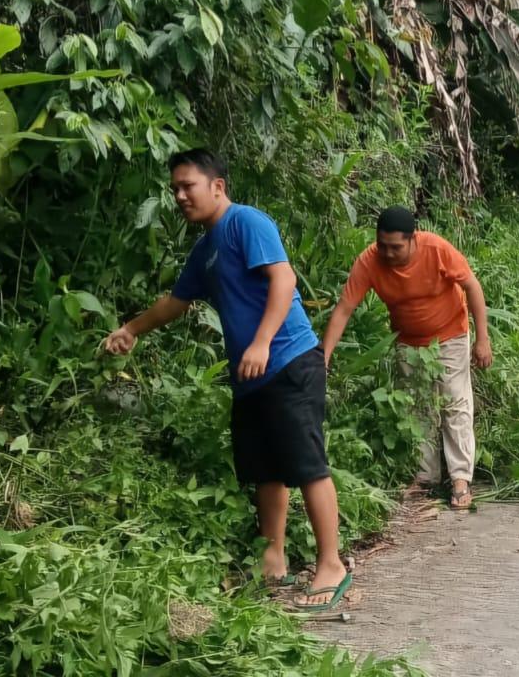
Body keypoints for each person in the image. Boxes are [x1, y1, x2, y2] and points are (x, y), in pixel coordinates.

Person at [102, 149, 350, 612]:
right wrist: (131, 329)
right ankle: (272, 560)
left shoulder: (247, 222)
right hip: (252, 379)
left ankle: (331, 565)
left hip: (290, 361)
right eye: (174, 188)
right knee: (264, 470)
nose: (179, 196)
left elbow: (284, 280)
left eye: (187, 186)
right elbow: (175, 303)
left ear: (217, 186)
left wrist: (260, 341)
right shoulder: (205, 249)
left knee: (306, 462)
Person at [321, 206, 492, 509]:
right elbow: (345, 308)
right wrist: (324, 356)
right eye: (382, 245)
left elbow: (472, 286)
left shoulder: (437, 249)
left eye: (396, 247)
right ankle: (425, 477)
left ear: (413, 239)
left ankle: (461, 480)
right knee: (417, 408)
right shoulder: (369, 261)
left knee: (455, 404)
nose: (387, 253)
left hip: (450, 334)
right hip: (408, 342)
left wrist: (483, 339)